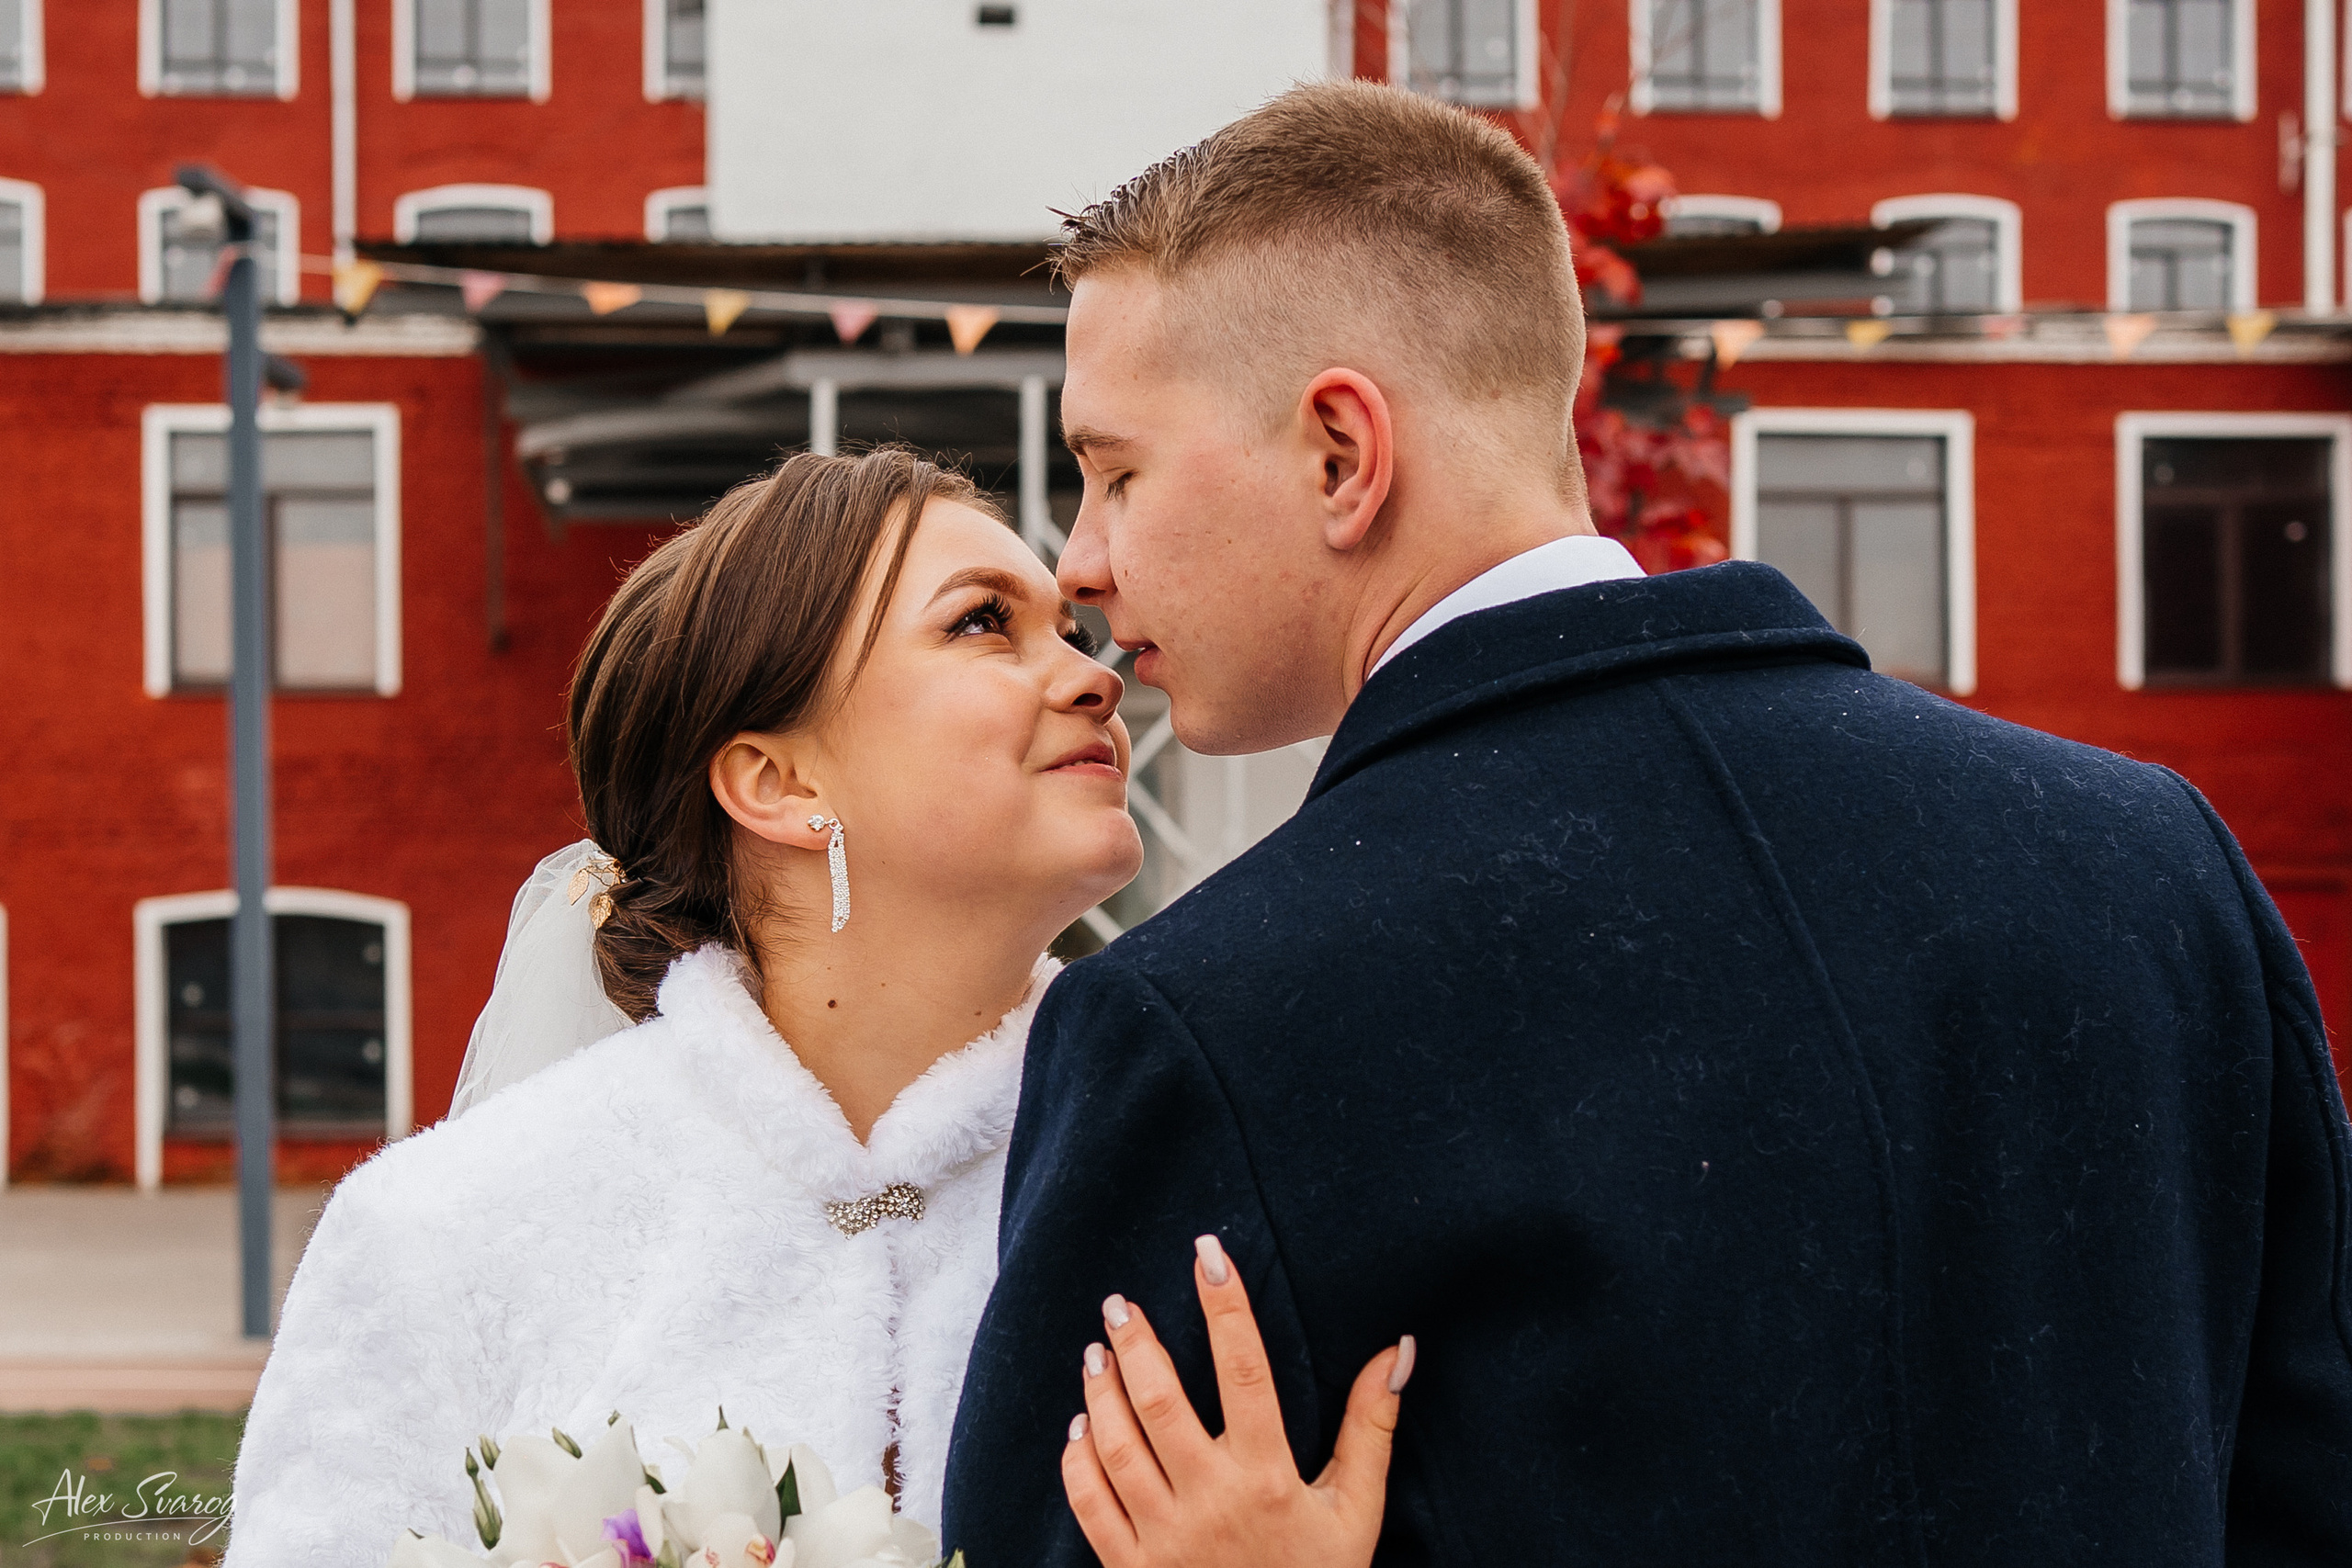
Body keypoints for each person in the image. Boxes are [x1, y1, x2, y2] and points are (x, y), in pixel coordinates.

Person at [942, 80, 2352, 1564]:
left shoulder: (1204, 1027)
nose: (1083, 558)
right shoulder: (2151, 861)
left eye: (1114, 471)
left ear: (1341, 454)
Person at [223, 449, 1401, 1566]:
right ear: (779, 783)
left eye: (1074, 632)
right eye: (984, 622)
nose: (1096, 677)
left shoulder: (1234, 1174)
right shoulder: (437, 1239)